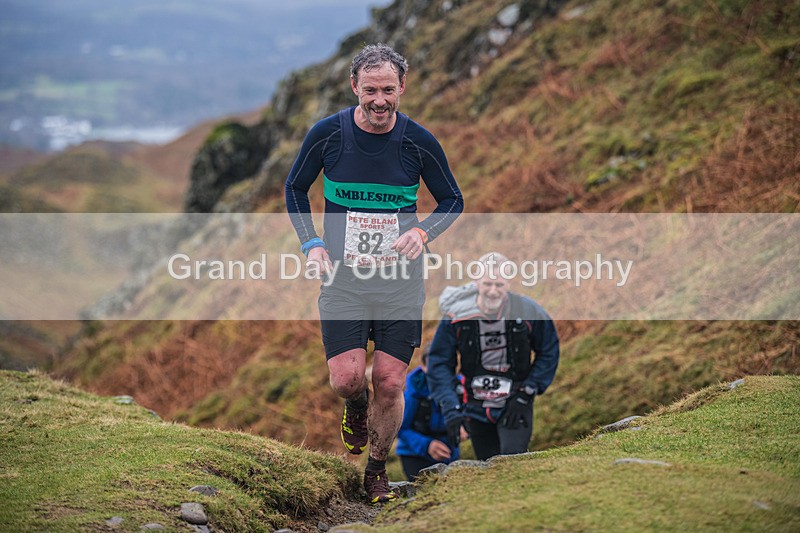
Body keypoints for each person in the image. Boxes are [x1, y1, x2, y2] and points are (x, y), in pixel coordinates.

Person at [284, 43, 463, 503]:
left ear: (402, 87)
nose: (379, 100)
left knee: (390, 380)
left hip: (400, 283)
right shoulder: (328, 134)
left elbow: (453, 200)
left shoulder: (417, 141)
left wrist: (422, 232)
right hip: (343, 280)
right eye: (370, 90)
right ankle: (356, 407)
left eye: (387, 90)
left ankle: (377, 470)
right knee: (347, 380)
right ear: (354, 87)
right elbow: (295, 188)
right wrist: (311, 243)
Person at [427, 252, 559, 461]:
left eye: (499, 285)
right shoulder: (455, 316)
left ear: (509, 283)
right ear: (476, 282)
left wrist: (529, 390)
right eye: (487, 284)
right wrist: (451, 408)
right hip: (474, 404)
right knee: (488, 465)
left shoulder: (528, 310)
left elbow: (549, 349)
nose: (493, 291)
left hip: (515, 401)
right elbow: (439, 363)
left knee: (512, 460)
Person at [396, 346, 466, 481]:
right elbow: (400, 428)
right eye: (434, 366)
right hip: (414, 455)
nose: (439, 372)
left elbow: (471, 415)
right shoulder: (412, 390)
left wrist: (464, 427)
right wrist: (427, 445)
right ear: (423, 366)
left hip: (449, 452)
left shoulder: (461, 387)